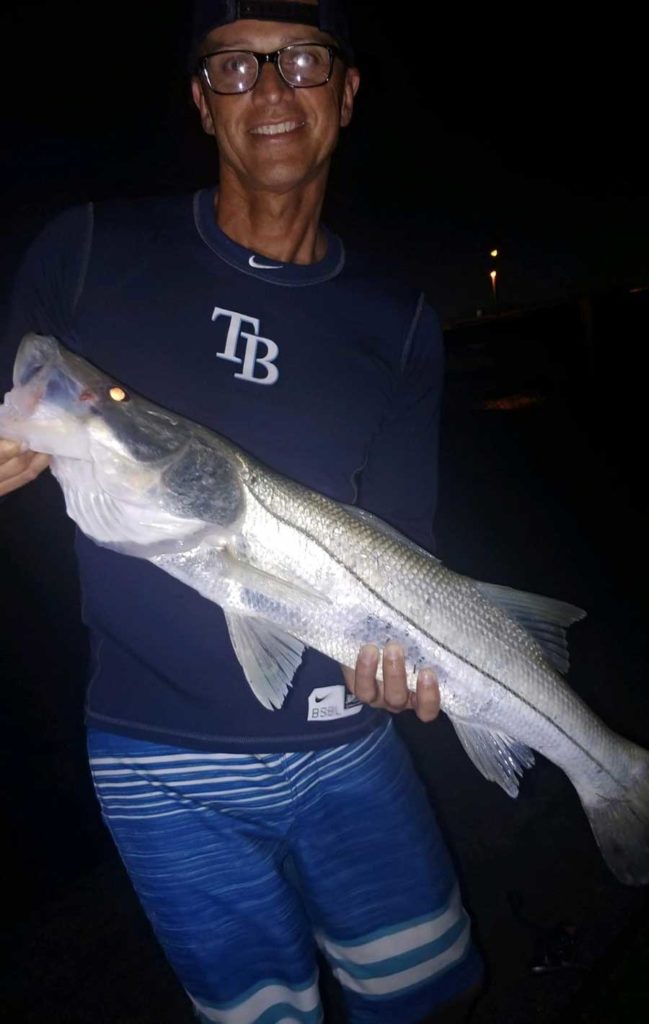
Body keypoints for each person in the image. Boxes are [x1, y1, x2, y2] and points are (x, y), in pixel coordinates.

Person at [0, 2, 483, 1021]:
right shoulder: (87, 251)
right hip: (152, 764)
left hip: (349, 745)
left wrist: (410, 671)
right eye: (233, 68)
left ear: (346, 93)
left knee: (421, 1003)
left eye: (300, 60)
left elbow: (405, 542)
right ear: (200, 102)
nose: (268, 90)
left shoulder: (395, 323)